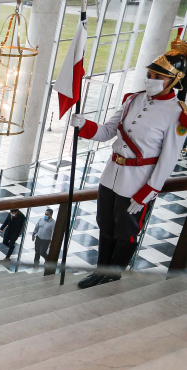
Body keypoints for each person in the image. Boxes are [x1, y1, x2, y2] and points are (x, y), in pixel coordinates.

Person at [71, 38, 187, 288]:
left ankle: (113, 275)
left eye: (159, 75)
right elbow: (106, 132)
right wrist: (83, 125)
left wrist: (148, 192)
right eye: (150, 73)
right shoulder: (132, 100)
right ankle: (100, 271)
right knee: (105, 226)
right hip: (111, 174)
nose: (152, 79)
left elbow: (168, 160)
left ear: (174, 80)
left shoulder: (177, 115)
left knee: (126, 233)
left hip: (137, 183)